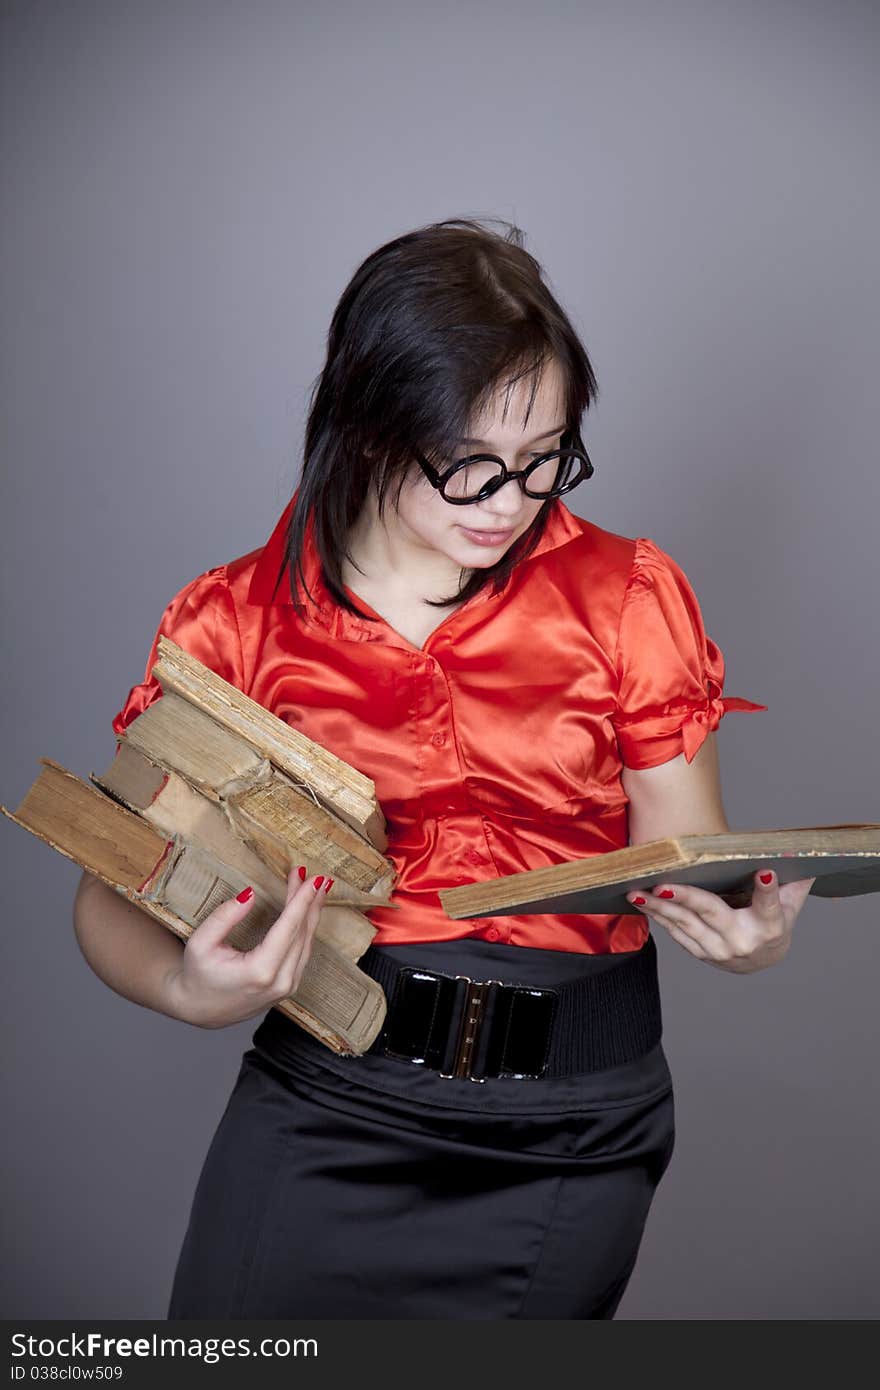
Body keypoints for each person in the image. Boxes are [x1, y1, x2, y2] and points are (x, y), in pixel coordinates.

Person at [73, 216, 816, 1320]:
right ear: (373, 430)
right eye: (471, 465)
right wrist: (188, 987)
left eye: (544, 458)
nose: (514, 502)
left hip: (572, 1129)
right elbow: (108, 886)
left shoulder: (627, 595)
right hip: (330, 1101)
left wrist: (748, 937)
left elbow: (692, 863)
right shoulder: (232, 620)